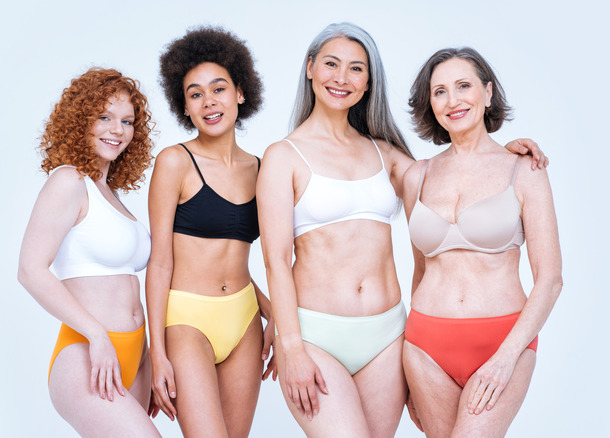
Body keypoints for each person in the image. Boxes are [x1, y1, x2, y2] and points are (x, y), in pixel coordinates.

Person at [258, 23, 548, 438]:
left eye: (356, 68)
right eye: (331, 64)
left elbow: (456, 177)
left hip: (389, 337)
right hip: (315, 333)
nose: (342, 77)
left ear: (368, 81)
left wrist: (508, 151)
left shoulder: (387, 155)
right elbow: (274, 261)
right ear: (309, 69)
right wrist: (290, 345)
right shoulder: (282, 156)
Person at [401, 47, 562, 437]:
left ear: (488, 93)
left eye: (463, 86)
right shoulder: (416, 176)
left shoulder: (524, 169)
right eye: (439, 91)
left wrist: (507, 358)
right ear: (430, 104)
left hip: (502, 341)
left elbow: (550, 279)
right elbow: (419, 270)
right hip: (425, 346)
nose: (452, 100)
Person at [145, 27, 276, 438]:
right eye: (195, 94)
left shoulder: (262, 169)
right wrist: (157, 352)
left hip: (244, 319)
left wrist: (277, 317)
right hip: (186, 321)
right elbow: (160, 261)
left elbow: (243, 261)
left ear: (240, 92)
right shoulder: (174, 162)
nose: (209, 102)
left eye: (218, 89)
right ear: (184, 107)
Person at [17, 68, 161, 437]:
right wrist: (97, 335)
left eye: (127, 121)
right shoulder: (68, 180)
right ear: (81, 120)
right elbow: (31, 270)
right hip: (87, 353)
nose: (117, 130)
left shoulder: (109, 193)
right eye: (104, 117)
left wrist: (149, 357)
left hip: (134, 354)